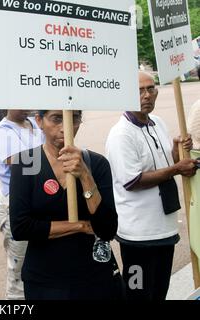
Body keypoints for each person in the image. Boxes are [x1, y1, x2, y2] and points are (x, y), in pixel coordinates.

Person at [105, 71, 198, 301]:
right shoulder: (121, 134)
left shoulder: (158, 123)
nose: (147, 95)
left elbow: (168, 162)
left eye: (151, 88)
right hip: (138, 236)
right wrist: (177, 169)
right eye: (139, 91)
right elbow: (133, 181)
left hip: (165, 229)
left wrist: (178, 149)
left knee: (159, 292)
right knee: (138, 294)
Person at [9, 110, 120, 300]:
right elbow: (21, 227)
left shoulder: (97, 163)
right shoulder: (26, 163)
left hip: (93, 277)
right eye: (56, 118)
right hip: (44, 280)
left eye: (73, 117)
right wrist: (81, 225)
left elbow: (107, 228)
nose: (65, 126)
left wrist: (85, 175)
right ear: (39, 121)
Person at [0, 110, 44, 300]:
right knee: (19, 273)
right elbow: (24, 163)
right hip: (14, 204)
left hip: (38, 201)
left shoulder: (34, 122)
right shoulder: (3, 131)